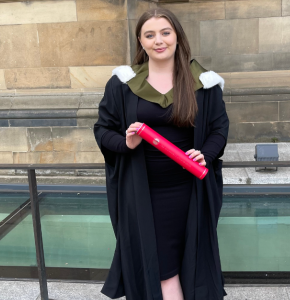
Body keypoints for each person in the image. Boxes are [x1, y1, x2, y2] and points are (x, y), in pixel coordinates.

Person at [93, 7, 229, 300]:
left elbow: (219, 128)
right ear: (140, 42)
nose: (159, 40)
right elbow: (103, 130)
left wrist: (205, 153)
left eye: (165, 32)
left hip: (188, 191)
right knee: (163, 268)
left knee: (181, 262)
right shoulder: (123, 84)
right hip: (142, 192)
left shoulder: (203, 84)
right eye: (149, 34)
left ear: (177, 36)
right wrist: (125, 144)